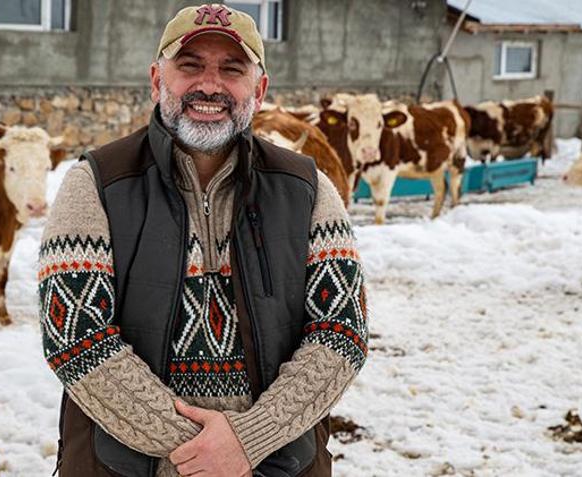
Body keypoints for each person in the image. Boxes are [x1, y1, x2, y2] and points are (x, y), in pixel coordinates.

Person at [38, 4, 368, 476]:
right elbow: (76, 338)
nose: (209, 85)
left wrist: (249, 441)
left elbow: (342, 332)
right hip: (124, 466)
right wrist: (195, 453)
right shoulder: (97, 184)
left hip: (275, 464)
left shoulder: (307, 189)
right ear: (157, 79)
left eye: (231, 69)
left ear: (259, 89)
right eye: (189, 66)